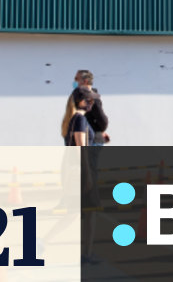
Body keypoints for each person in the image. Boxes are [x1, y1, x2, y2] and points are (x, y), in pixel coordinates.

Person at [64, 87, 99, 264]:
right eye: (89, 100)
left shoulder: (77, 119)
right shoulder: (79, 120)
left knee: (76, 213)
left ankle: (87, 252)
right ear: (80, 101)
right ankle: (87, 254)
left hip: (81, 172)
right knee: (90, 214)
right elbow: (81, 150)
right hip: (84, 172)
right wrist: (89, 176)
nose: (92, 103)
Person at [74, 70, 110, 146]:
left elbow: (103, 121)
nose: (75, 81)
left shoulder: (91, 97)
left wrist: (97, 130)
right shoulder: (78, 96)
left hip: (92, 140)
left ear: (85, 81)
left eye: (77, 79)